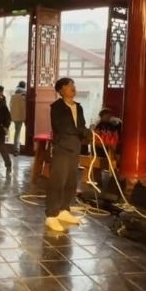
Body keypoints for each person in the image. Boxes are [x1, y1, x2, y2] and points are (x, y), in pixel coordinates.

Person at [45, 78, 89, 232]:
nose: (73, 87)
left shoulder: (78, 107)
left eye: (73, 85)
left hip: (75, 147)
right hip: (62, 147)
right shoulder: (56, 107)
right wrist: (82, 131)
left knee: (71, 180)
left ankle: (64, 209)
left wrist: (87, 133)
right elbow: (62, 127)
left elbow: (81, 125)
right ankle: (51, 214)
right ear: (61, 91)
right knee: (58, 181)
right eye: (69, 85)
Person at [9, 81, 27, 154]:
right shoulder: (25, 95)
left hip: (16, 116)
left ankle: (16, 149)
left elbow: (10, 106)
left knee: (17, 132)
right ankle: (29, 148)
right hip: (26, 115)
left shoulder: (13, 96)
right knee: (28, 131)